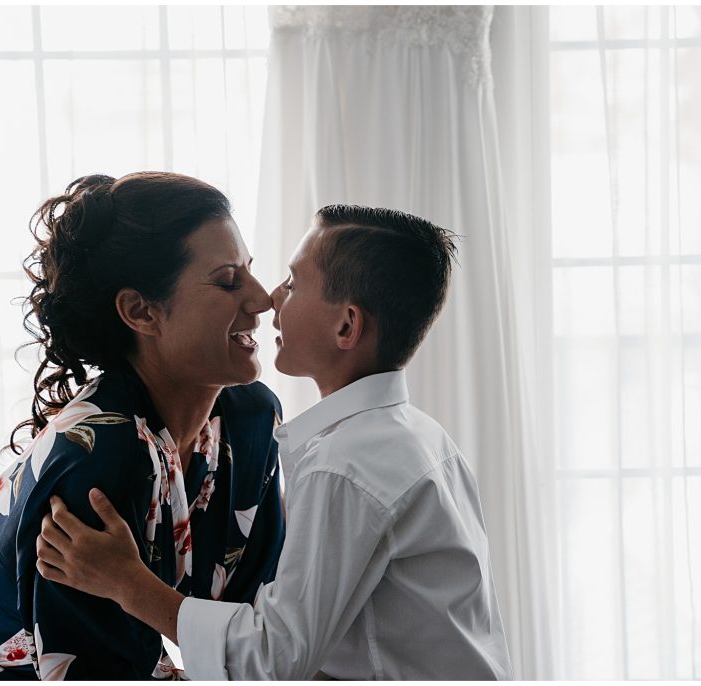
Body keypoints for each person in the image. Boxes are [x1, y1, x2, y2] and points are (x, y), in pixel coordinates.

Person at [36, 204, 514, 679]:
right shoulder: (421, 438)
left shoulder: (345, 465)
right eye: (231, 279)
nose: (270, 297)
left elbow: (274, 657)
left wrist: (128, 583)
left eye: (293, 282)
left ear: (346, 326)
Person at [0, 173, 287, 680]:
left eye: (250, 272)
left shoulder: (251, 419)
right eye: (229, 280)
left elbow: (261, 641)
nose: (262, 299)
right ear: (140, 311)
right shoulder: (95, 462)